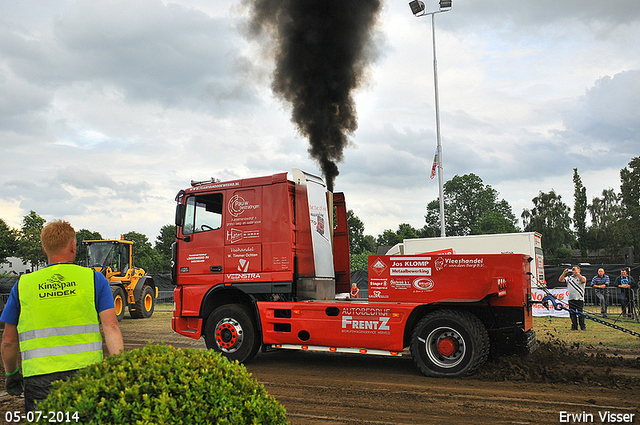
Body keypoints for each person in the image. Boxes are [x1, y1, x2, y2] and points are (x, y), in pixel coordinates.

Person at [0, 220, 123, 412]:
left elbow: (8, 340)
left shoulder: (23, 285)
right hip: (87, 375)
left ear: (44, 249)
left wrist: (12, 373)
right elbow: (111, 327)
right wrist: (120, 368)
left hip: (39, 380)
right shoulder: (94, 279)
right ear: (73, 246)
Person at [559, 265, 587, 331]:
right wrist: (564, 273)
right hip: (571, 298)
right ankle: (574, 326)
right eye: (573, 270)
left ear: (579, 270)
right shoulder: (569, 278)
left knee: (580, 313)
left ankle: (583, 327)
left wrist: (577, 274)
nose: (573, 271)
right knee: (572, 314)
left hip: (579, 298)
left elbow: (583, 281)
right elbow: (561, 280)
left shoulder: (582, 277)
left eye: (575, 269)